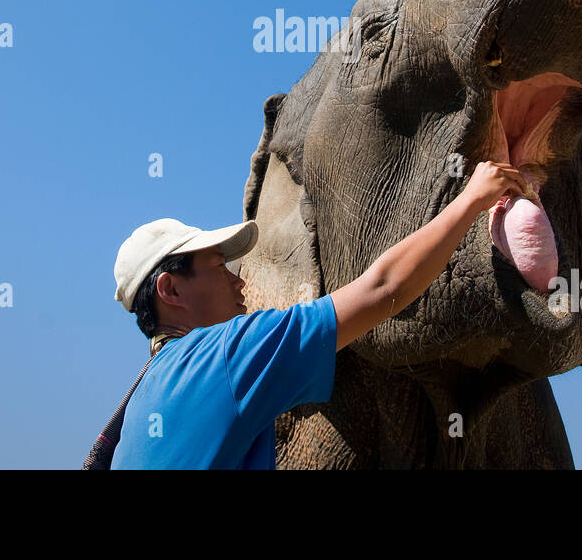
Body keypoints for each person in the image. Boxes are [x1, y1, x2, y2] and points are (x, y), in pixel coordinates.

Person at [108, 159, 529, 469]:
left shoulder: (142, 401)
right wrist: (473, 198)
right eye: (221, 269)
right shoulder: (226, 355)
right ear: (171, 289)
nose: (240, 283)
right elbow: (383, 288)